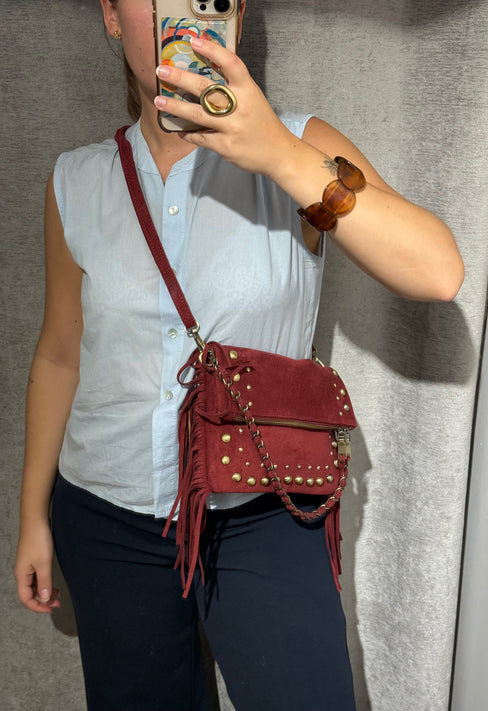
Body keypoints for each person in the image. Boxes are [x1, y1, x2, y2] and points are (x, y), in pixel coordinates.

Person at [14, 1, 464, 709]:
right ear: (111, 15)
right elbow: (60, 354)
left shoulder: (298, 147)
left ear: (238, 14)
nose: (187, 14)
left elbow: (437, 272)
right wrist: (33, 516)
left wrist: (278, 154)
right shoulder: (77, 180)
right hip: (106, 514)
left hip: (264, 508)